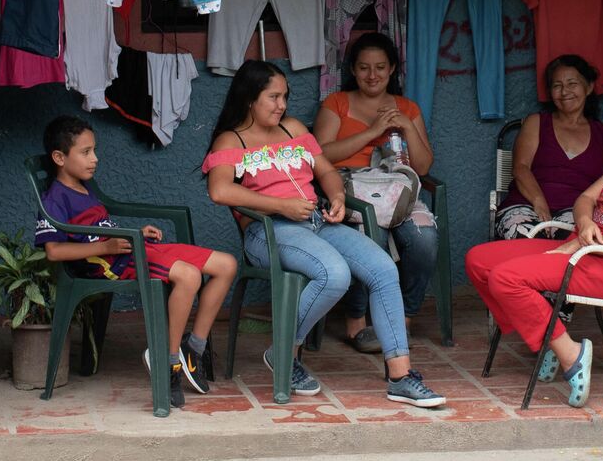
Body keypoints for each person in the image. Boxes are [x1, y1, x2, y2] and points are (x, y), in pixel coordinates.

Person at [202, 60, 447, 407]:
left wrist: (335, 196)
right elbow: (220, 191)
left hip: (316, 223)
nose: (281, 105)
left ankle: (400, 376)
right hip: (267, 232)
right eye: (272, 97)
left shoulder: (293, 129)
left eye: (284, 96)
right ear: (250, 98)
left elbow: (327, 171)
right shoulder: (233, 139)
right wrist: (279, 205)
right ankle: (286, 352)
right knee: (334, 274)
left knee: (382, 269)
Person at [464, 88, 603, 408]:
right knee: (478, 260)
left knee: (505, 278)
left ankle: (569, 353)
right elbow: (585, 198)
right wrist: (585, 224)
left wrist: (581, 243)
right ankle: (549, 337)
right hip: (590, 250)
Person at [33, 115, 238, 410]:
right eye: (86, 152)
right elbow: (53, 252)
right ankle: (167, 361)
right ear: (59, 158)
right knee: (190, 276)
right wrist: (108, 245)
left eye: (94, 150)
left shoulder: (84, 186)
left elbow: (101, 225)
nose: (95, 159)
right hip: (111, 264)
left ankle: (193, 348)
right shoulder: (55, 198)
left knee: (226, 264)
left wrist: (134, 234)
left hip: (128, 248)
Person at [313, 32, 438, 354]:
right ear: (353, 70)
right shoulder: (337, 103)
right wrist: (373, 132)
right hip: (349, 186)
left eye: (380, 67)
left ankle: (403, 319)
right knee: (371, 238)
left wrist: (406, 127)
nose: (372, 75)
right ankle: (356, 320)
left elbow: (423, 167)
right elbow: (321, 155)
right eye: (364, 67)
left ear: (392, 69)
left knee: (424, 240)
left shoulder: (407, 108)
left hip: (398, 189)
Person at [495, 54, 603, 241]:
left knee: (574, 243)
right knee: (526, 238)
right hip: (527, 205)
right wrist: (539, 202)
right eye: (557, 86)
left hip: (577, 212)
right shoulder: (536, 123)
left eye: (572, 84)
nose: (564, 92)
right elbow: (520, 168)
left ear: (589, 87)